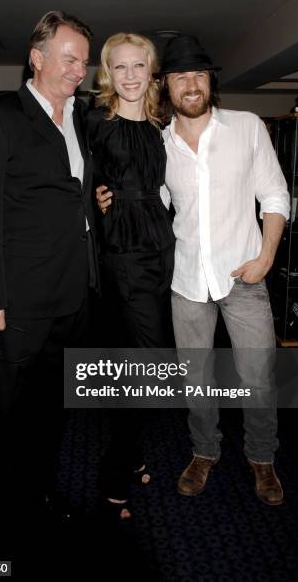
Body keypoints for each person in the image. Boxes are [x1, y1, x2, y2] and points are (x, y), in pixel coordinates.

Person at [98, 35, 290, 506]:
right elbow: (156, 203)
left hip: (243, 276)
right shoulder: (158, 143)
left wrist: (266, 257)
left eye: (199, 74)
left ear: (210, 82)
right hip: (184, 282)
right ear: (165, 84)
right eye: (180, 76)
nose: (190, 84)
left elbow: (275, 195)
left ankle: (262, 458)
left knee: (257, 376)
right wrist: (111, 200)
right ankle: (205, 452)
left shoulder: (247, 127)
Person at [0, 10, 97, 527]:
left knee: (49, 415)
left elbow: (73, 196)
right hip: (14, 305)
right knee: (0, 419)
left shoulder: (81, 119)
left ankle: (36, 492)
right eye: (68, 58)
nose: (79, 70)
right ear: (37, 59)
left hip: (70, 301)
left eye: (84, 62)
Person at [87, 33, 175, 520]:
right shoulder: (95, 122)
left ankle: (133, 451)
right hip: (122, 250)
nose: (129, 76)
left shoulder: (162, 124)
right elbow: (74, 178)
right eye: (119, 67)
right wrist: (97, 202)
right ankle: (113, 477)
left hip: (162, 247)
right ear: (107, 72)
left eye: (138, 66)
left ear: (151, 71)